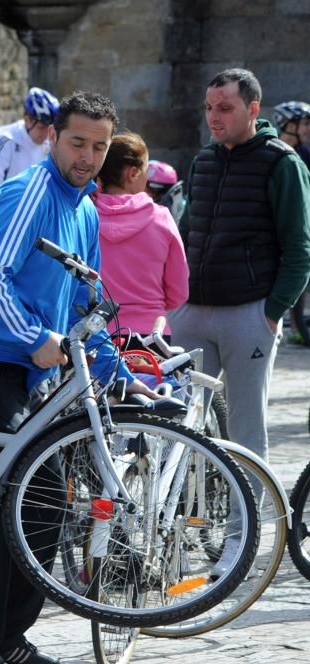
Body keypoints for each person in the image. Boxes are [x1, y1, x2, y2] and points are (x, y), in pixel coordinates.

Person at [0, 92, 152, 664]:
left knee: (45, 508)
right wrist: (33, 338)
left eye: (100, 146)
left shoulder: (86, 209)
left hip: (27, 375)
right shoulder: (28, 194)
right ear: (52, 138)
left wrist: (119, 374)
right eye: (78, 142)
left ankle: (8, 641)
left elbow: (85, 306)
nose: (89, 156)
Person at [171, 71, 310, 551]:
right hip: (192, 311)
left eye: (224, 108)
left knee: (246, 429)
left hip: (249, 313)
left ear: (253, 109)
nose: (214, 117)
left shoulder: (283, 163)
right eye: (209, 107)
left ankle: (242, 536)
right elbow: (187, 231)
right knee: (178, 423)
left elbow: (300, 247)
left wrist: (272, 313)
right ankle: (180, 528)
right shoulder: (204, 160)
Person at [94, 132, 188, 338]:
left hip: (96, 336)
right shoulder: (161, 218)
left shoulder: (84, 217)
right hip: (152, 333)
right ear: (133, 173)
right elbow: (179, 292)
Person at [0, 87, 59, 187]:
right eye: (41, 127)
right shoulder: (7, 139)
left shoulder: (51, 143)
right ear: (28, 121)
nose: (47, 134)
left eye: (50, 128)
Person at [272, 100, 310, 169]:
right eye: (306, 123)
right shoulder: (269, 151)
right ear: (291, 126)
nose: (309, 128)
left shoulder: (306, 153)